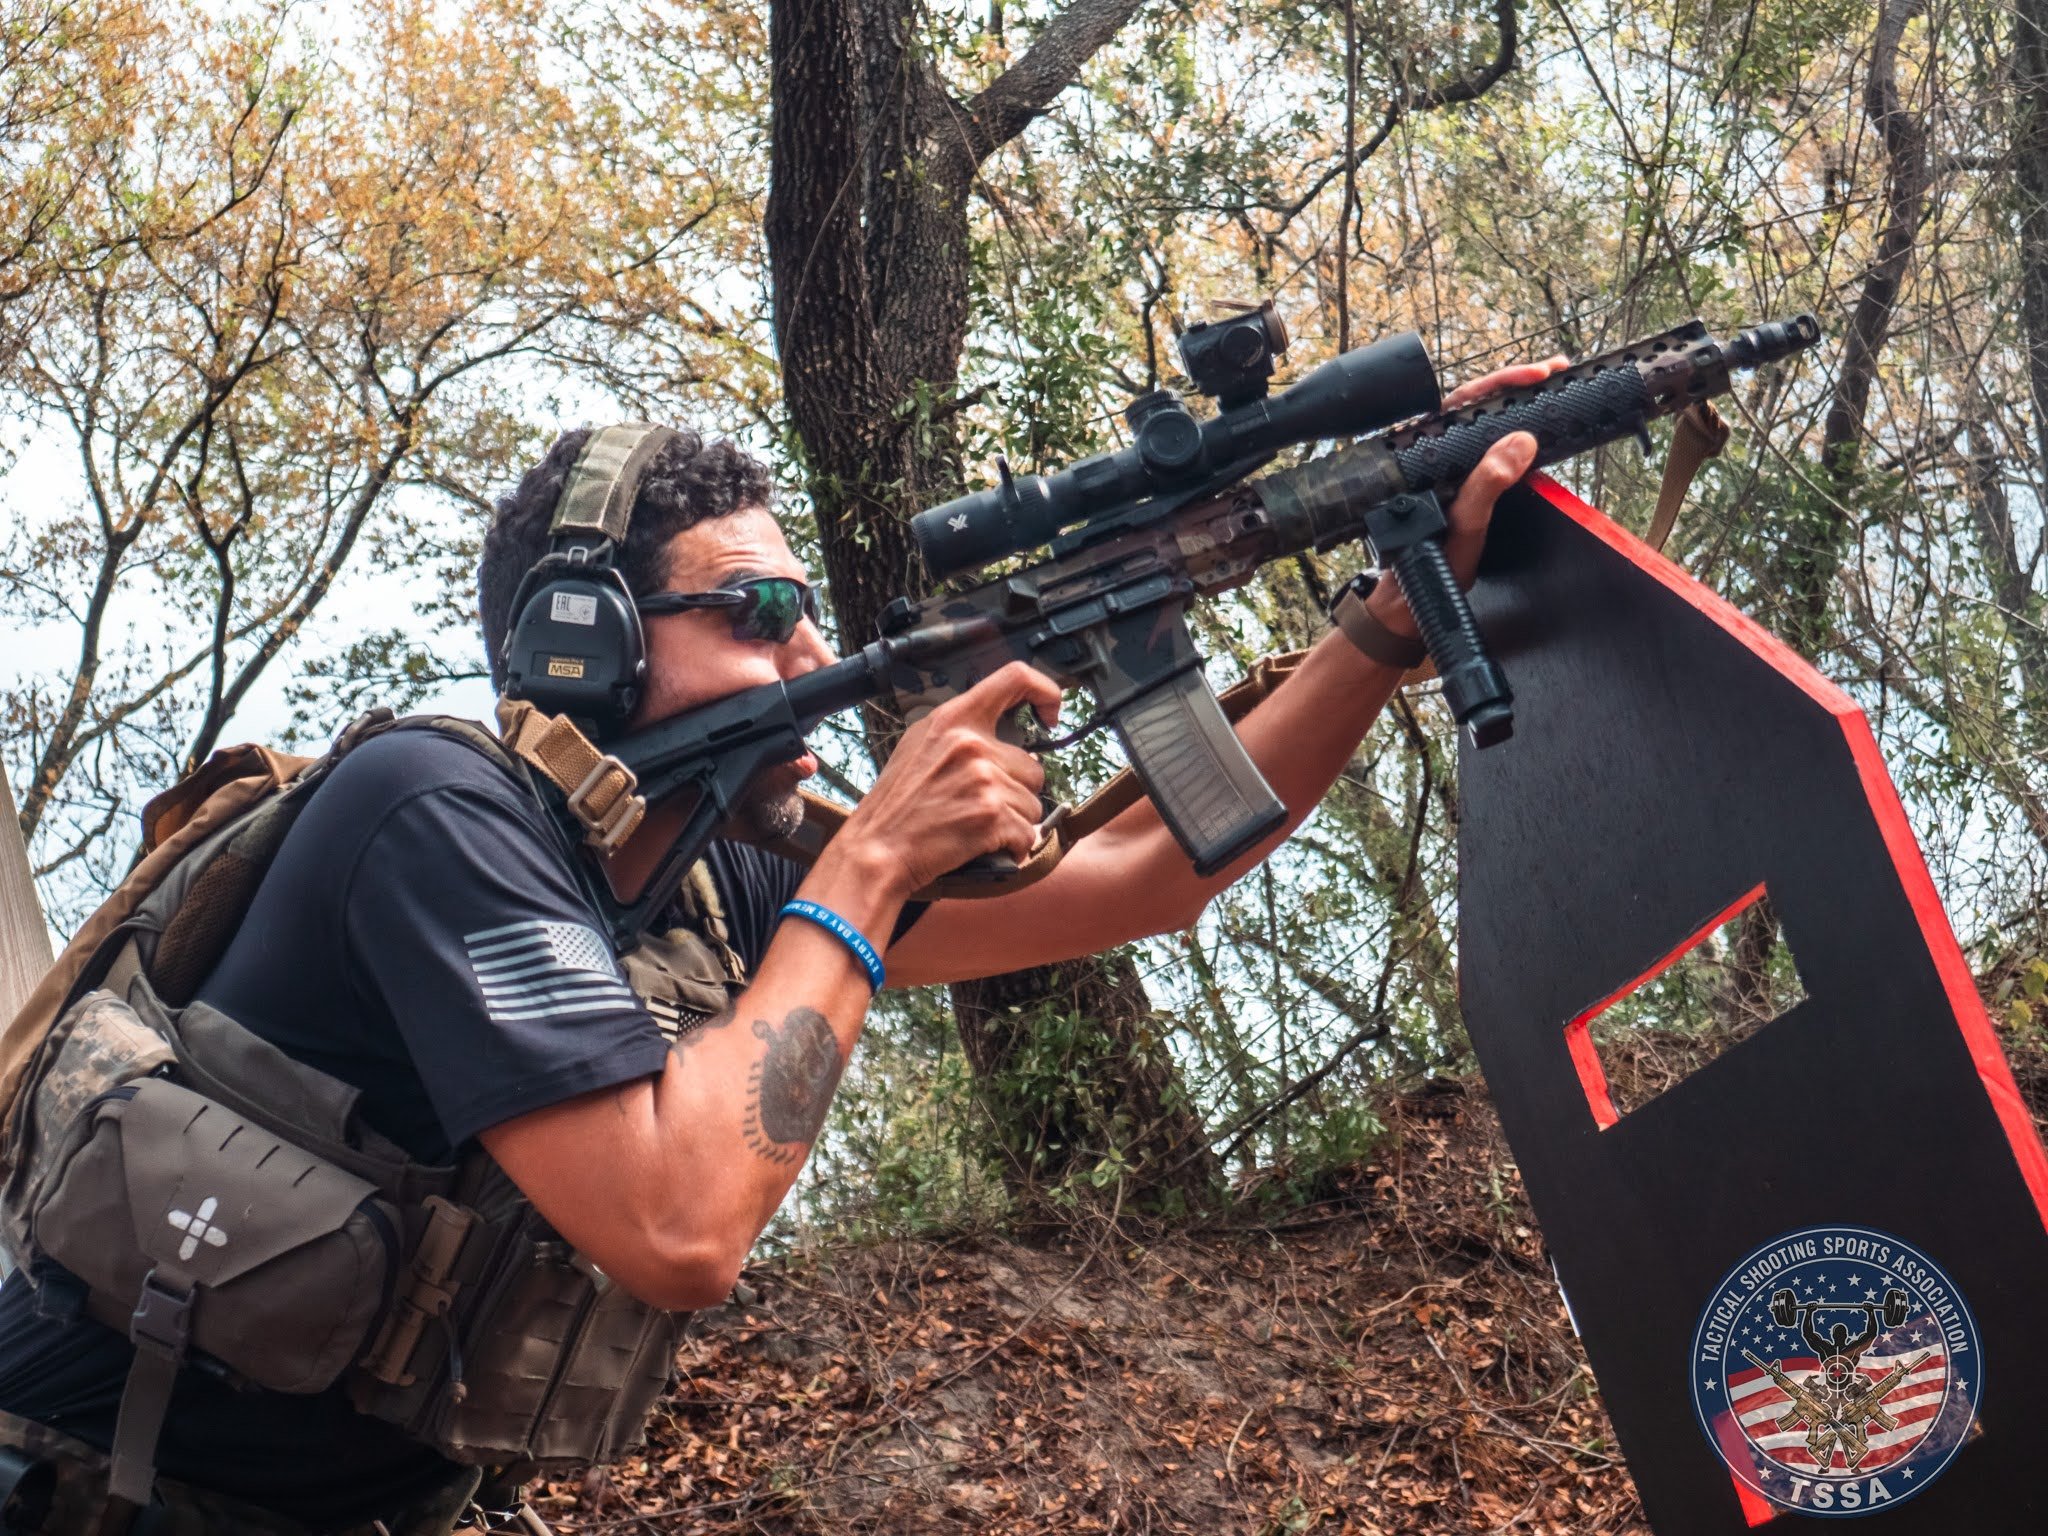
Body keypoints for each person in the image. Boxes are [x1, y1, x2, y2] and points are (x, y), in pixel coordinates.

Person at [0, 358, 1557, 1533]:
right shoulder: (437, 809)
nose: (813, 656)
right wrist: (870, 866)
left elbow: (1151, 876)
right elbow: (680, 1226)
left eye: (808, 610)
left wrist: (1379, 635)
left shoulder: (705, 882)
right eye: (756, 612)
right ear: (582, 641)